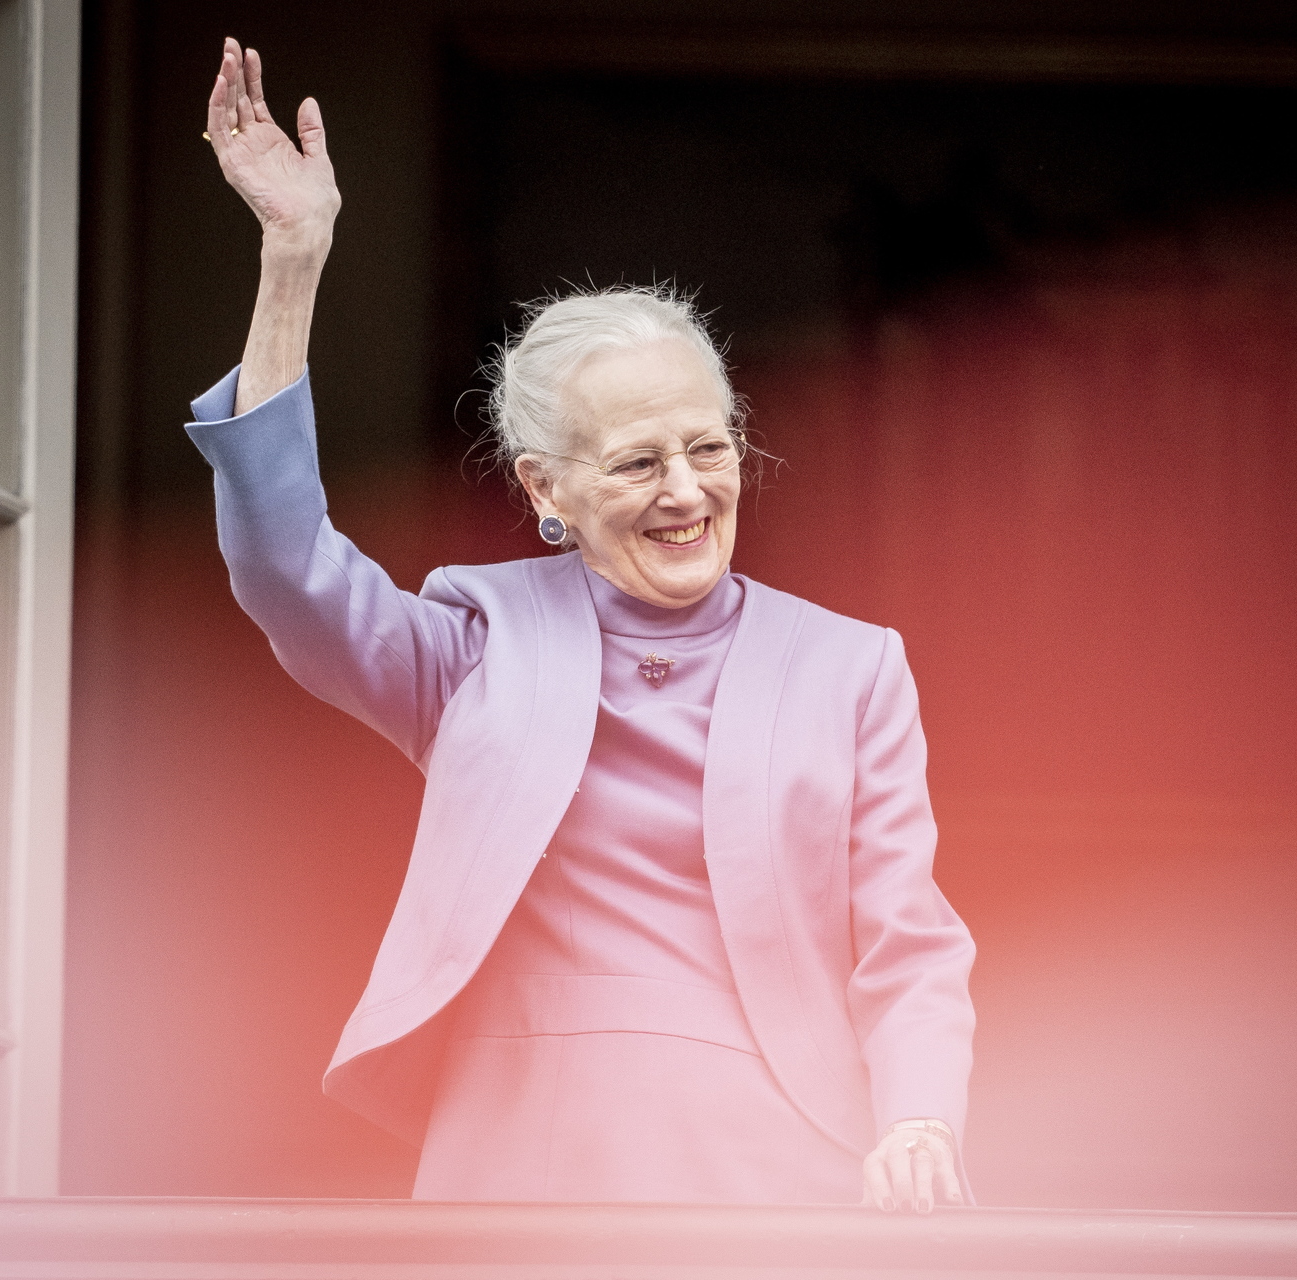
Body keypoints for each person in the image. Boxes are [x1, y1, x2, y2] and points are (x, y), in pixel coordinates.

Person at [189, 38, 977, 1210]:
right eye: (638, 460)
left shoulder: (852, 668)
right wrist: (293, 264)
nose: (686, 489)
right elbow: (287, 569)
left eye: (710, 447)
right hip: (525, 1169)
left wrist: (917, 1115)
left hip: (780, 1168)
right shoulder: (478, 641)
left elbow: (907, 936)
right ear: (546, 490)